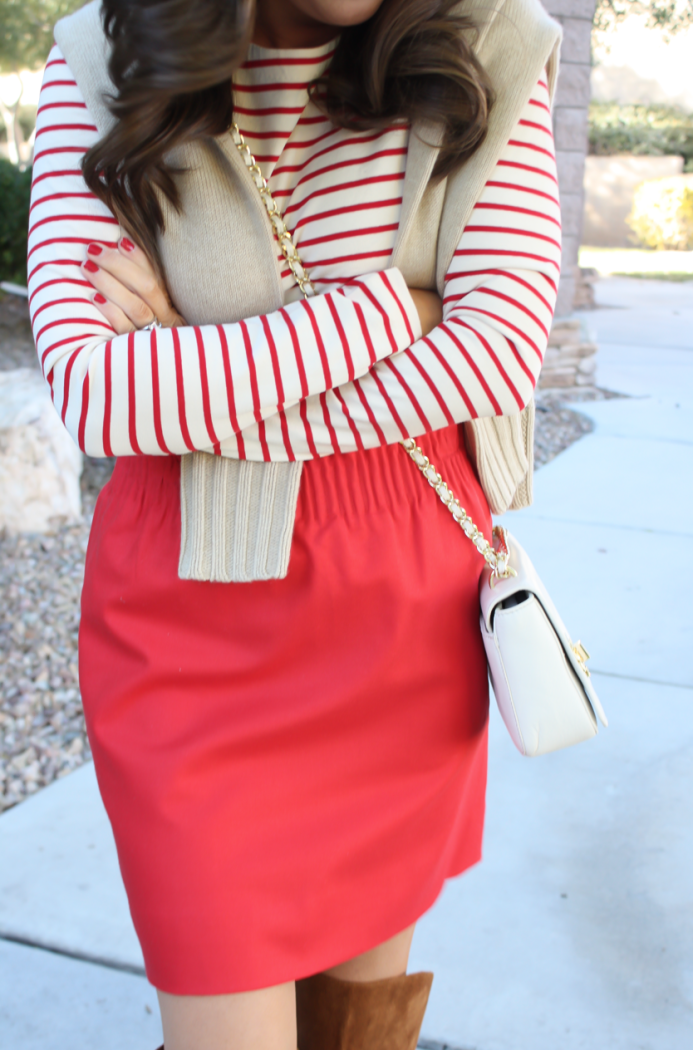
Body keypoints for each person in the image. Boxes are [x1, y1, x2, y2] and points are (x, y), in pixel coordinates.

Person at [29, 0, 561, 1046]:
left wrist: (199, 381)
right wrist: (388, 313)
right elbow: (95, 394)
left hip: (403, 610)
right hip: (188, 619)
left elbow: (496, 352)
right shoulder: (100, 55)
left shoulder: (492, 42)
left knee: (358, 1025)